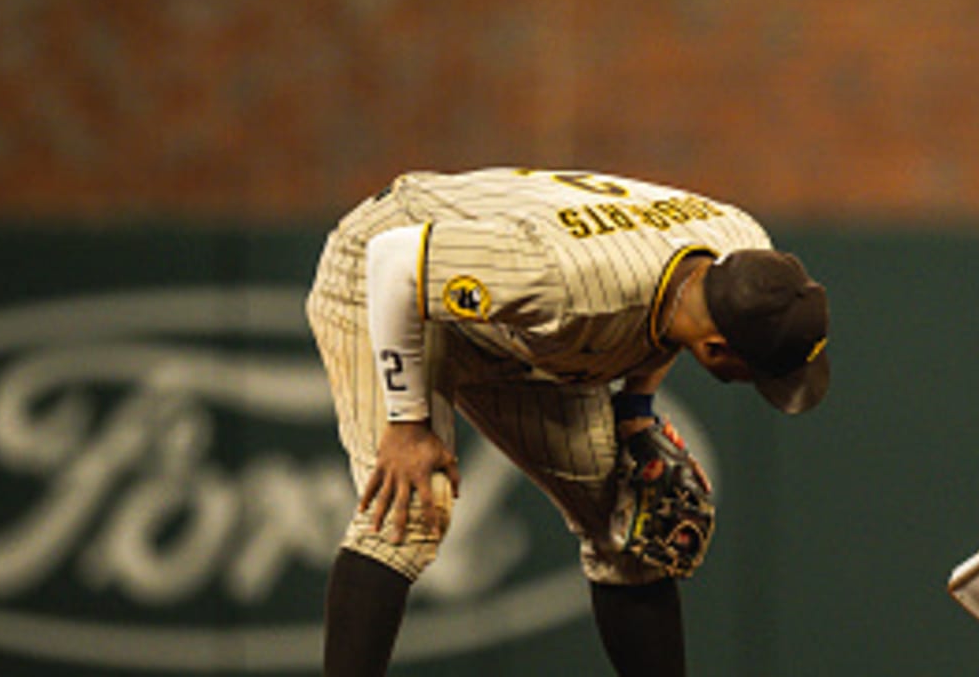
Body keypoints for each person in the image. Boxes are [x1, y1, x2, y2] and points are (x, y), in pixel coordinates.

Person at [306, 166, 831, 677]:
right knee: (411, 510)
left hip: (516, 320)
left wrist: (635, 411)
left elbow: (677, 308)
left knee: (625, 529)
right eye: (758, 372)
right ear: (719, 351)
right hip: (388, 272)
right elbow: (395, 261)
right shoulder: (571, 280)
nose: (760, 382)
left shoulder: (742, 253)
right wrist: (406, 424)